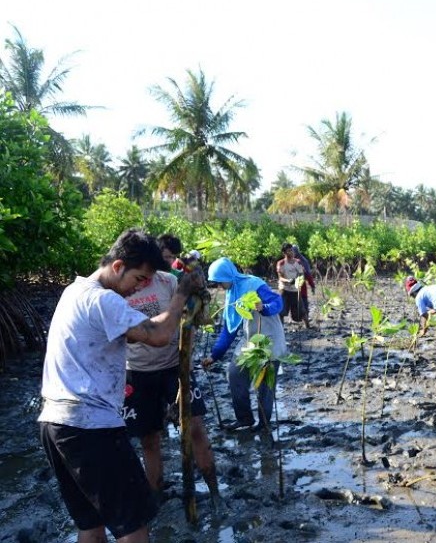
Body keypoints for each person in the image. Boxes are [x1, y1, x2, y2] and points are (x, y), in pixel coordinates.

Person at [38, 229, 200, 543]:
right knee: (134, 526)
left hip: (54, 424)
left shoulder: (74, 291)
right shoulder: (103, 300)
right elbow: (158, 335)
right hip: (90, 426)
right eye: (139, 279)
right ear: (117, 266)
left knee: (91, 524)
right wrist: (182, 294)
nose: (139, 288)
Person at [122, 234, 220, 507]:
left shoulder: (169, 282)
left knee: (197, 430)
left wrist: (199, 293)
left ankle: (214, 495)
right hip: (137, 371)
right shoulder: (120, 290)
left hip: (174, 367)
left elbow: (197, 319)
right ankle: (156, 500)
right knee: (150, 441)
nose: (146, 277)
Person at [202, 257, 287, 430]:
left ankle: (264, 423)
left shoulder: (253, 284)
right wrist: (214, 356)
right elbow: (229, 330)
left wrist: (263, 307)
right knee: (234, 373)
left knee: (265, 386)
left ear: (228, 275)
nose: (219, 286)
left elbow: (278, 302)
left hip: (269, 340)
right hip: (250, 340)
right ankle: (244, 418)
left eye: (220, 282)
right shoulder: (231, 295)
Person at [276, 242, 310, 328]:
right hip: (284, 290)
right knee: (281, 311)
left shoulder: (297, 262)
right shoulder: (281, 263)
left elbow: (301, 274)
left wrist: (299, 281)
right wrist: (288, 280)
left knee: (301, 311)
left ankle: (308, 327)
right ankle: (281, 329)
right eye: (288, 251)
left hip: (295, 290)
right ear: (284, 253)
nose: (291, 252)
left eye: (291, 250)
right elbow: (280, 278)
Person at [293, 244, 316, 324]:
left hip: (301, 286)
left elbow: (308, 275)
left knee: (304, 303)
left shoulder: (302, 261)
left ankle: (306, 319)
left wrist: (312, 286)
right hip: (292, 288)